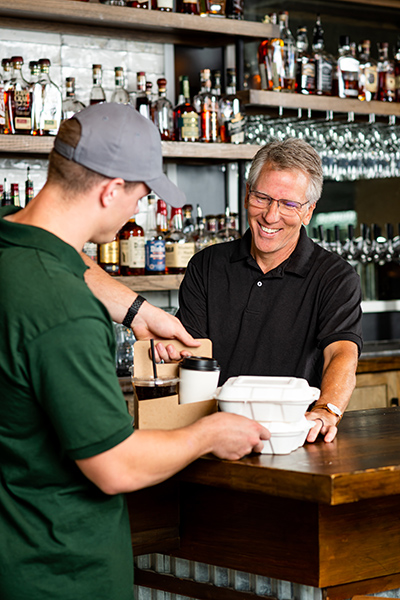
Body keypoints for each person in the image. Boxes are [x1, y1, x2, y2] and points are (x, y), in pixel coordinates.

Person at [0, 103, 269, 600]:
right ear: (110, 191)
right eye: (141, 196)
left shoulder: (12, 250)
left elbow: (64, 260)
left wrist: (140, 311)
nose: (138, 212)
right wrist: (208, 432)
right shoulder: (63, 309)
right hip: (57, 574)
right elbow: (115, 465)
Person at [156, 138, 363, 444]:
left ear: (308, 212)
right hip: (213, 438)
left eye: (288, 204)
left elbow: (342, 352)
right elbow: (191, 352)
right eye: (262, 198)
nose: (270, 215)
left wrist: (327, 409)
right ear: (246, 196)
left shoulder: (335, 277)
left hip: (292, 439)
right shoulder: (207, 265)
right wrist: (167, 352)